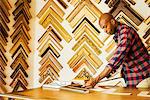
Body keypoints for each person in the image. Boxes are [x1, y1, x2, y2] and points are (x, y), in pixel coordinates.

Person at [85, 13, 150, 88]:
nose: (105, 31)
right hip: (134, 79)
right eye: (103, 28)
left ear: (112, 21)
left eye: (105, 27)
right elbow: (124, 57)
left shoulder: (125, 32)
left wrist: (96, 79)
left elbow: (117, 58)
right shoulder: (118, 35)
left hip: (143, 77)